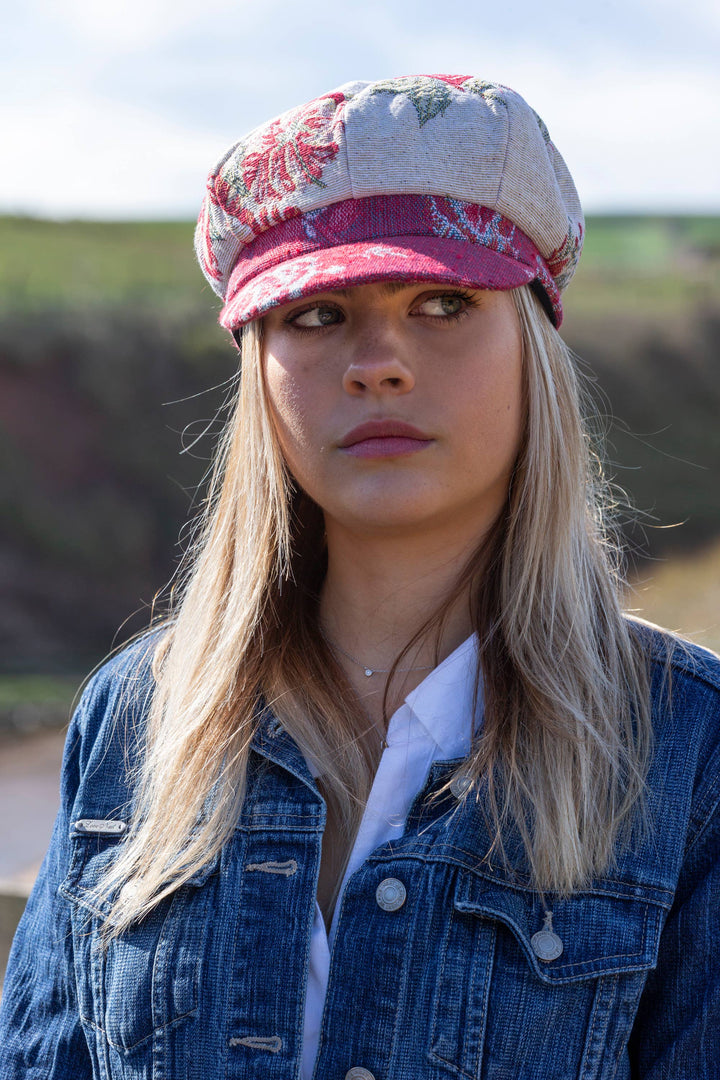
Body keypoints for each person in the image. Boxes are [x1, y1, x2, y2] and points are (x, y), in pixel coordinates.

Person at [1, 73, 718, 1079]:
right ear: (259, 367)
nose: (378, 362)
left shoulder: (688, 745)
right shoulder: (133, 720)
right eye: (316, 315)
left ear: (533, 347)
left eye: (443, 303)